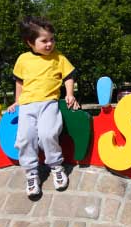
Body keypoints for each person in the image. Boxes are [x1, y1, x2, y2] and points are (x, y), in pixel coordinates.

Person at [7, 15, 79, 198]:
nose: (49, 44)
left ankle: (55, 166)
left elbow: (69, 76)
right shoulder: (23, 59)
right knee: (25, 138)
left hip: (48, 103)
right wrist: (17, 100)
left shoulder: (58, 57)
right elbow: (20, 82)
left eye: (52, 39)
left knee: (48, 134)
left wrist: (70, 94)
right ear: (30, 42)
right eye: (44, 41)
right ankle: (31, 173)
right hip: (27, 106)